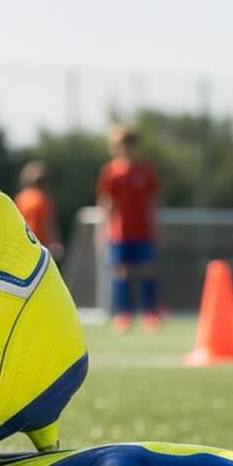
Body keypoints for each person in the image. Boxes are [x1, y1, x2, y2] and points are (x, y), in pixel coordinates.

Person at [96, 124, 161, 332]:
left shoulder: (146, 171)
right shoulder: (111, 172)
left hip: (143, 231)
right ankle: (123, 314)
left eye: (130, 145)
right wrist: (102, 231)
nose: (126, 149)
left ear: (136, 146)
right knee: (121, 272)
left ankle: (150, 313)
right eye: (121, 145)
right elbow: (106, 203)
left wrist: (156, 227)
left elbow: (153, 203)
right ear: (115, 147)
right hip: (119, 233)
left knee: (147, 270)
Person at [14, 161, 63, 259]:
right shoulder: (43, 199)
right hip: (41, 247)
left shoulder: (20, 198)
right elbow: (49, 225)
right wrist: (56, 243)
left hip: (23, 245)